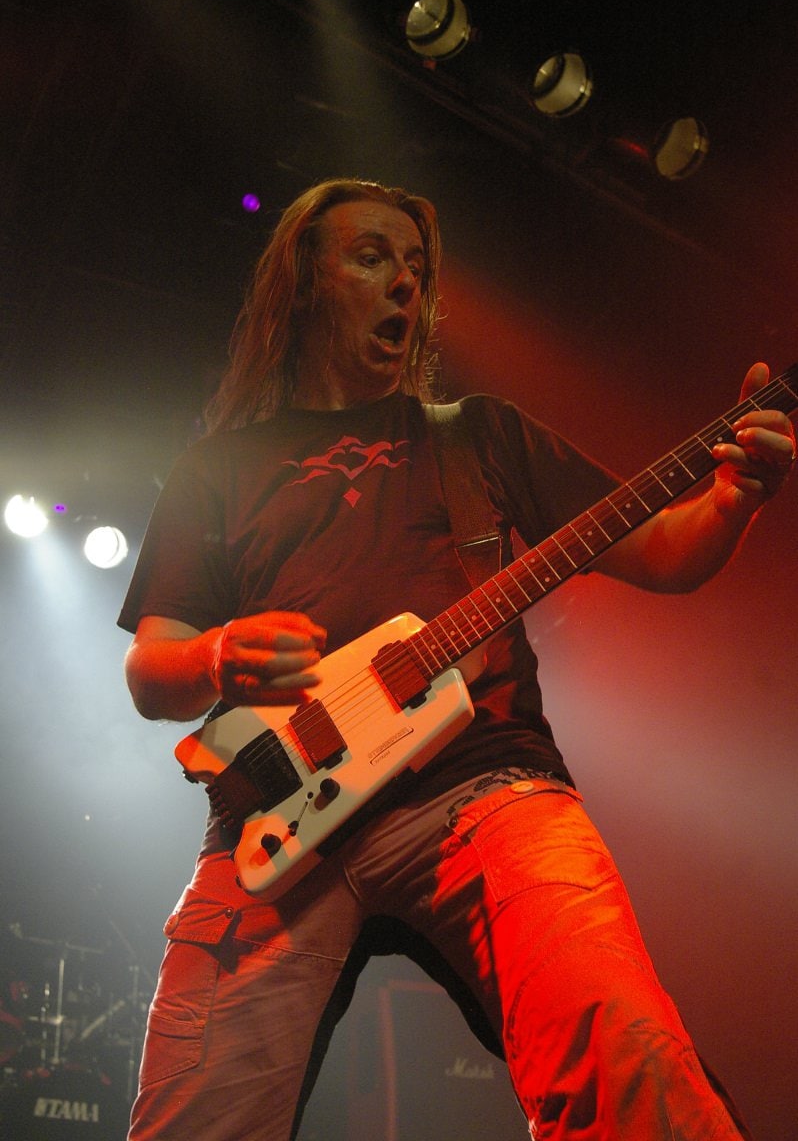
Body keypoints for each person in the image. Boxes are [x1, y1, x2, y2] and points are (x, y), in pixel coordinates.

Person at [118, 178, 795, 1141]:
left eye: (416, 266)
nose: (407, 281)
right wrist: (216, 657)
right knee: (192, 1120)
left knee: (625, 1051)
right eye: (372, 258)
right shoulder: (216, 468)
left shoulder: (477, 434)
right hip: (274, 822)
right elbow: (153, 673)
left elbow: (663, 554)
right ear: (304, 284)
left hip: (484, 786)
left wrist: (732, 500)